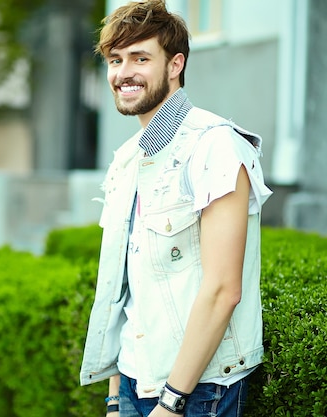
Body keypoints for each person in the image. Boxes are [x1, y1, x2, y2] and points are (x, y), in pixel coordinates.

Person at [79, 1, 273, 416]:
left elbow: (224, 290)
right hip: (132, 380)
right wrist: (115, 397)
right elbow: (123, 288)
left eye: (140, 58)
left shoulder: (215, 147)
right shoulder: (127, 159)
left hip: (197, 391)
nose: (123, 72)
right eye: (115, 60)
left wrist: (171, 402)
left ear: (175, 64)